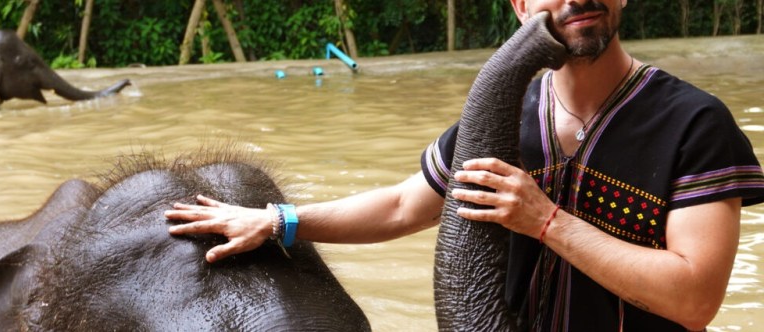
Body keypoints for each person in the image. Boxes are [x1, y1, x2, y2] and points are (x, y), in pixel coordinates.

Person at [164, 0, 764, 330]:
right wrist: (276, 222)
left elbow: (695, 299)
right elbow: (405, 206)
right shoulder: (507, 119)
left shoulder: (694, 123)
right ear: (522, 6)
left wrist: (546, 221)